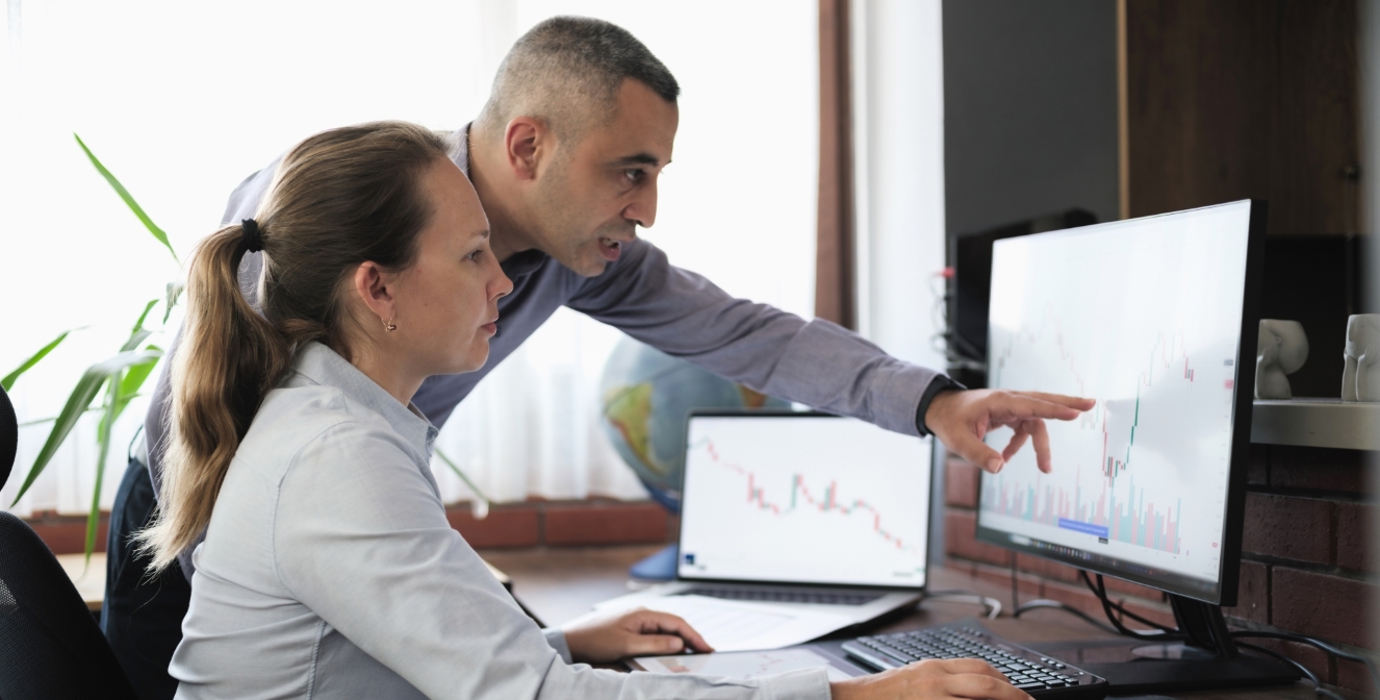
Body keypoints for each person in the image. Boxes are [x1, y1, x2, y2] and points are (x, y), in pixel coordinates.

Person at [103, 16, 1093, 697]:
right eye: (630, 170)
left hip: (337, 533)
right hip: (188, 510)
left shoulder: (578, 258)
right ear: (528, 146)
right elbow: (238, 452)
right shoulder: (340, 217)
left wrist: (933, 403)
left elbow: (752, 332)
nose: (648, 206)